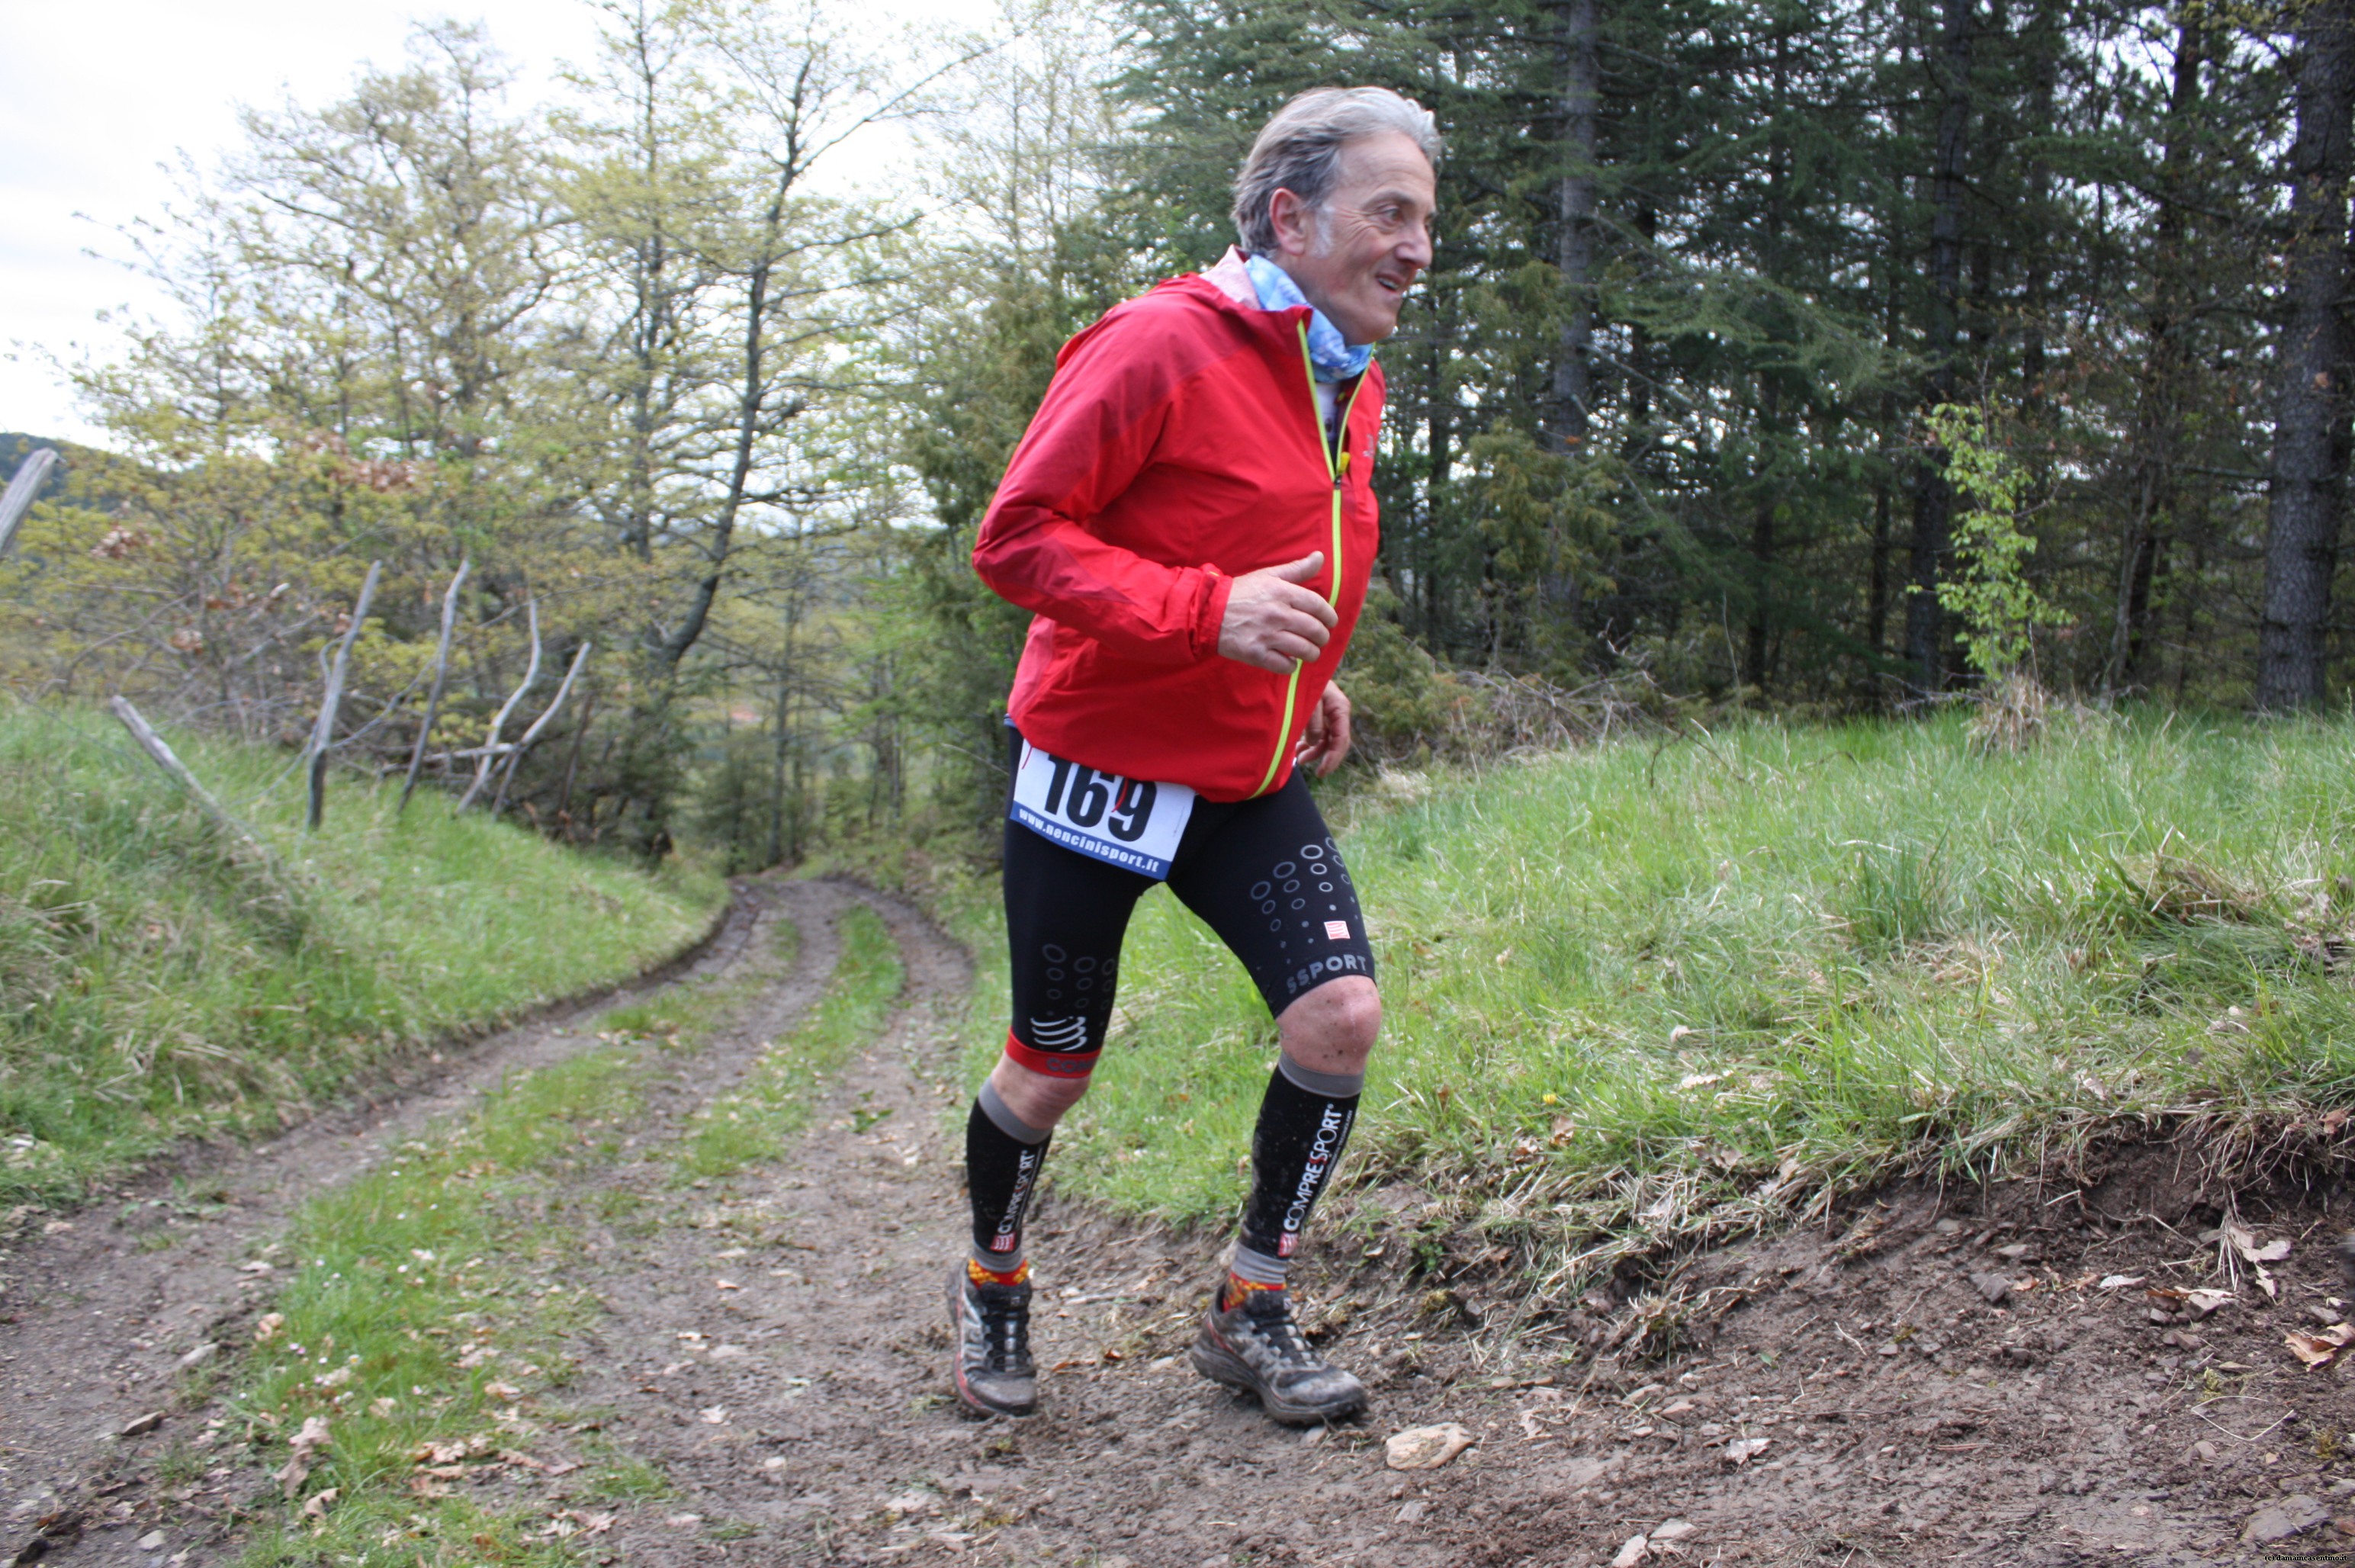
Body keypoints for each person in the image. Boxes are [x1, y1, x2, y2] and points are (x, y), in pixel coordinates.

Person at [953, 85, 1441, 1426]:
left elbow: (1305, 543)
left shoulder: (1350, 369)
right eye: (1389, 213)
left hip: (1244, 773)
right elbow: (1017, 539)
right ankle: (995, 1276)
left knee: (1338, 1017)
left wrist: (1311, 677)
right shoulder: (1158, 342)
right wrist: (1205, 614)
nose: (1416, 247)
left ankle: (1252, 1305)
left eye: (1427, 221)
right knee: (1052, 1065)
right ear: (1292, 215)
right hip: (1099, 768)